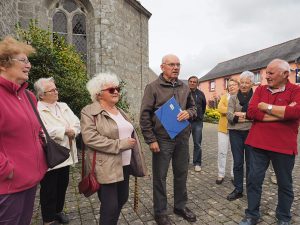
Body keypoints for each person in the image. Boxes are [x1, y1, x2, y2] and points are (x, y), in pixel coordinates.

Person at [238, 59, 300, 225]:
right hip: (257, 144)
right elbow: (251, 112)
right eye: (266, 73)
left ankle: (283, 217)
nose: (266, 76)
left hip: (284, 147)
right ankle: (252, 215)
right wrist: (281, 114)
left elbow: (295, 112)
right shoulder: (261, 89)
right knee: (253, 180)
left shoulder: (296, 90)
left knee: (285, 184)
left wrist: (266, 107)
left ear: (285, 74)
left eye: (271, 73)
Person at [81, 72, 146, 225]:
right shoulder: (89, 111)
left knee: (122, 199)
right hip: (106, 166)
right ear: (98, 94)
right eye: (111, 90)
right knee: (110, 207)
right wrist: (120, 144)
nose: (116, 91)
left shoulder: (120, 111)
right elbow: (90, 138)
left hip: (125, 164)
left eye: (117, 88)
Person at [140, 54, 197, 225]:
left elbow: (194, 107)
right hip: (162, 140)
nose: (176, 67)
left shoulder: (184, 87)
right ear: (162, 67)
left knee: (181, 173)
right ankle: (160, 212)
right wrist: (151, 140)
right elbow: (144, 115)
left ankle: (180, 206)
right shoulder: (152, 87)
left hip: (181, 138)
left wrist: (190, 113)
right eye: (171, 64)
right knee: (160, 177)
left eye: (178, 64)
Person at [0, 36, 48, 224]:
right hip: (8, 186)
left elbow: (34, 131)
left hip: (30, 181)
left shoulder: (28, 96)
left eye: (28, 60)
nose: (29, 65)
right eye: (23, 60)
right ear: (4, 64)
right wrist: (6, 170)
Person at [34, 77, 80, 225]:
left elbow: (76, 122)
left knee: (63, 185)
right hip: (51, 155)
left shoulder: (63, 105)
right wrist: (64, 131)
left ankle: (58, 211)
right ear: (41, 95)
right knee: (49, 189)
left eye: (56, 89)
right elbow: (41, 130)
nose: (56, 91)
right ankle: (48, 219)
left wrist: (73, 130)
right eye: (52, 90)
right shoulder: (37, 109)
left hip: (66, 153)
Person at [226, 71, 254, 201]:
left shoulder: (256, 97)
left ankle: (251, 189)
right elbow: (230, 116)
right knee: (237, 163)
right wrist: (248, 117)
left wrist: (241, 115)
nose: (243, 85)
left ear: (251, 83)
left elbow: (256, 116)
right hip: (235, 133)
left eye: (246, 82)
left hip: (251, 133)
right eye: (241, 82)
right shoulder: (232, 97)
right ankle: (238, 189)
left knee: (251, 163)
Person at [216, 78, 239, 184]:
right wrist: (233, 111)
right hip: (223, 129)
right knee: (222, 152)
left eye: (233, 84)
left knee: (235, 153)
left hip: (236, 128)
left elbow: (242, 110)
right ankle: (221, 174)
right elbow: (220, 108)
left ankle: (234, 174)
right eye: (229, 85)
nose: (231, 87)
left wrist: (229, 110)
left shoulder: (241, 97)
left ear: (238, 86)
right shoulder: (224, 97)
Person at [188, 76, 206, 172]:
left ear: (197, 84)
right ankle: (184, 162)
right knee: (184, 143)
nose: (192, 83)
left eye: (194, 82)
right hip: (185, 122)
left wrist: (199, 116)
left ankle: (197, 163)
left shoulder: (201, 94)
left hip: (197, 122)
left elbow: (203, 107)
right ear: (188, 82)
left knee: (197, 143)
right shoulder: (184, 93)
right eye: (190, 81)